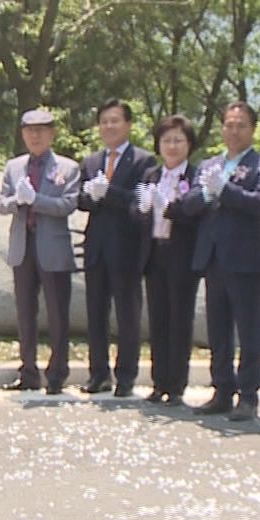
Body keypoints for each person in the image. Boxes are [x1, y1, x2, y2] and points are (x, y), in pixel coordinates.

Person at [174, 102, 260, 422]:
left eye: (241, 125)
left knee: (248, 331)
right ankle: (222, 389)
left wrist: (227, 190)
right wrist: (206, 193)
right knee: (218, 330)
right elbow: (187, 204)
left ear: (252, 129)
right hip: (214, 257)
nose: (234, 131)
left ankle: (248, 396)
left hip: (248, 260)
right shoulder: (209, 164)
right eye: (229, 124)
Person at [0, 108, 80, 393]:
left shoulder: (67, 168)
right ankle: (28, 371)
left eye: (42, 130)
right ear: (22, 134)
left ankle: (57, 373)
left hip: (53, 248)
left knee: (57, 313)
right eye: (30, 130)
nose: (36, 135)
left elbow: (67, 205)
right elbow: (0, 203)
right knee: (25, 312)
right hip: (23, 247)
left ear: (52, 133)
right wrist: (17, 202)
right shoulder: (14, 166)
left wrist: (37, 200)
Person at [76, 99, 153, 397]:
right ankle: (99, 374)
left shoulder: (143, 161)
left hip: (127, 247)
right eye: (104, 121)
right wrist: (91, 196)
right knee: (95, 313)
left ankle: (126, 376)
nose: (109, 126)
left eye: (115, 120)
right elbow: (81, 201)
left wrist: (109, 193)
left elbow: (138, 201)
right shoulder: (91, 161)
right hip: (96, 247)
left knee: (127, 315)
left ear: (128, 125)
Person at [133, 115, 203, 407]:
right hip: (154, 253)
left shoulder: (196, 176)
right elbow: (136, 212)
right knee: (158, 320)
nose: (172, 146)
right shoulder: (151, 175)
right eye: (166, 140)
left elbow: (194, 209)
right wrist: (143, 207)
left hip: (182, 255)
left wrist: (171, 208)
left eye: (178, 140)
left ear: (189, 144)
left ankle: (176, 384)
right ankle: (158, 381)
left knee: (179, 319)